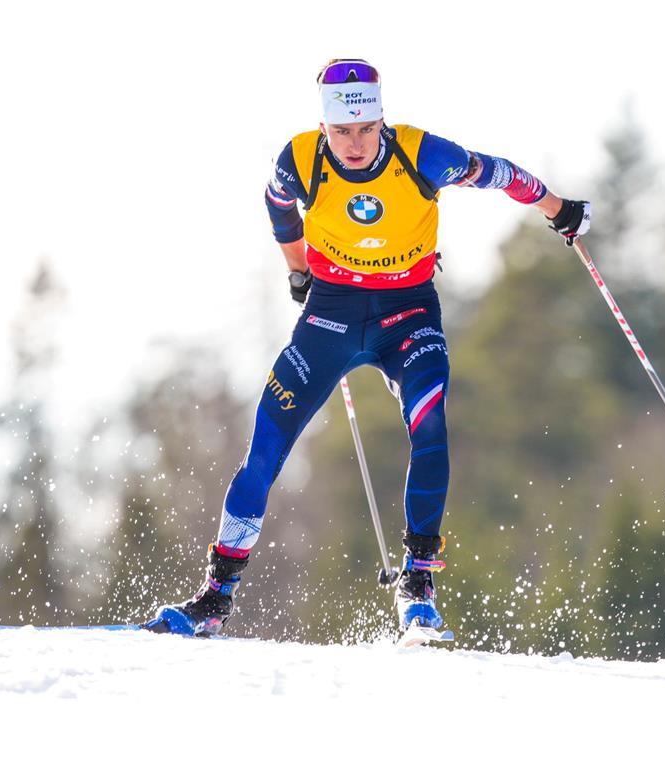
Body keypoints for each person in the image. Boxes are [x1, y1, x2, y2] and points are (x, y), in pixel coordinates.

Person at [143, 58, 590, 637]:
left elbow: (498, 172)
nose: (354, 144)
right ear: (324, 128)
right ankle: (214, 598)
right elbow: (277, 206)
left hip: (407, 315)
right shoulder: (300, 158)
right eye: (341, 132)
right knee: (264, 448)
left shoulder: (421, 153)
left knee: (430, 426)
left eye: (365, 129)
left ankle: (419, 585)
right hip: (330, 315)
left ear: (381, 120)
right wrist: (298, 268)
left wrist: (559, 209)